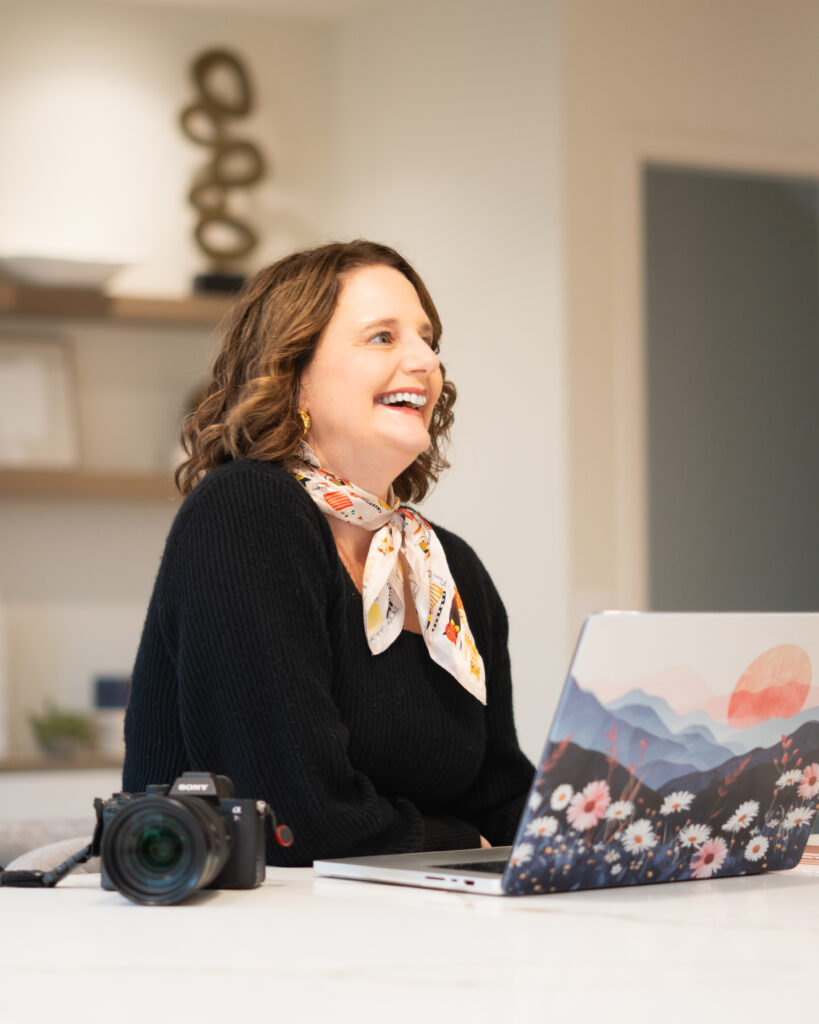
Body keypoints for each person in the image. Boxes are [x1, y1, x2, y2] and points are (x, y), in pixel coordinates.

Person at [123, 240, 534, 866]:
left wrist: (597, 827)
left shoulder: (448, 570)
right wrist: (459, 843)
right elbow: (292, 818)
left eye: (428, 340)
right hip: (241, 940)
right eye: (382, 338)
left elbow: (496, 795)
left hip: (403, 926)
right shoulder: (246, 513)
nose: (424, 359)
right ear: (293, 378)